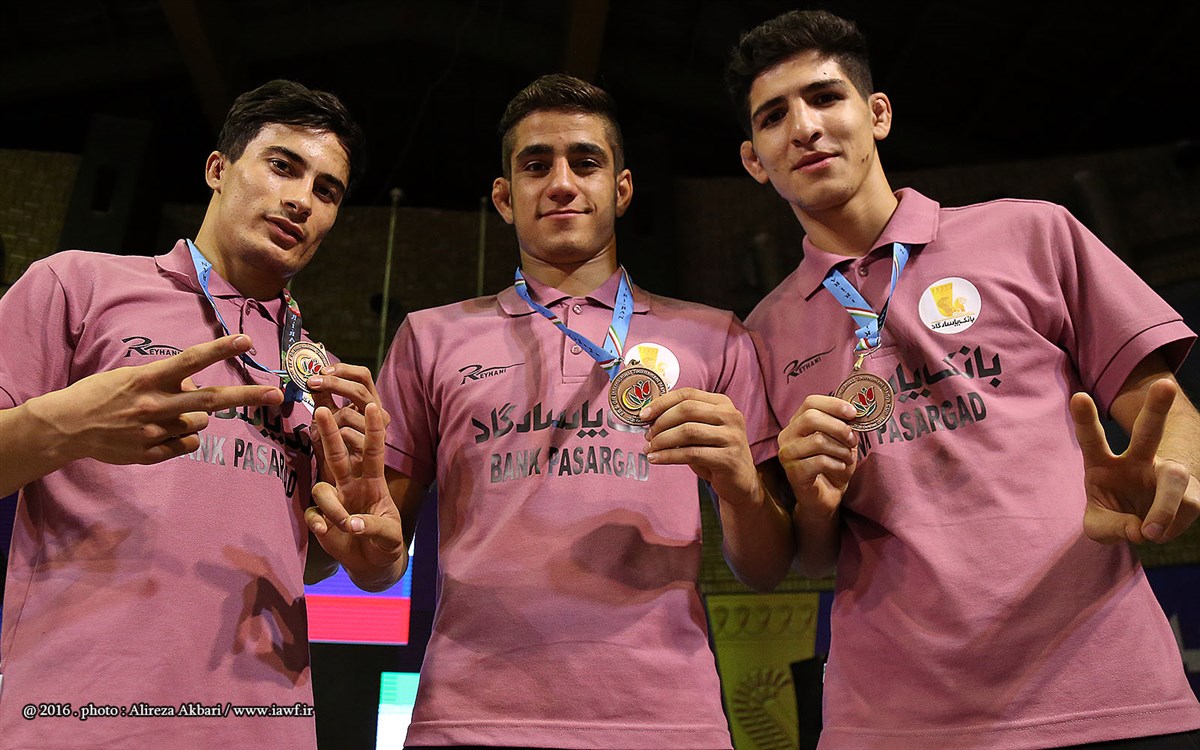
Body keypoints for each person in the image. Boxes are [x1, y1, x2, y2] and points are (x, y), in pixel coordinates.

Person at [726, 9, 1200, 749]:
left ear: (877, 114)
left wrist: (1175, 476)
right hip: (896, 722)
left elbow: (1166, 409)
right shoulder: (757, 336)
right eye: (774, 116)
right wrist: (812, 506)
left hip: (1105, 691)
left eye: (825, 97)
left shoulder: (1033, 232)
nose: (805, 127)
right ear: (755, 159)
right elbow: (808, 555)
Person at [314, 73, 793, 749]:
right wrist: (368, 555)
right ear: (504, 198)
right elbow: (377, 563)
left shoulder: (715, 336)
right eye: (536, 165)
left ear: (621, 189)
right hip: (469, 721)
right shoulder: (430, 337)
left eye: (585, 162)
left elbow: (766, 569)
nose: (562, 183)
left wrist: (743, 490)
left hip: (666, 723)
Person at [0, 79, 402, 748]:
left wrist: (364, 557)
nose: (301, 199)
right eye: (282, 166)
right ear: (218, 169)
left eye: (327, 190)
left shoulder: (323, 376)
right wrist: (67, 425)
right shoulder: (78, 285)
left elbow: (305, 563)